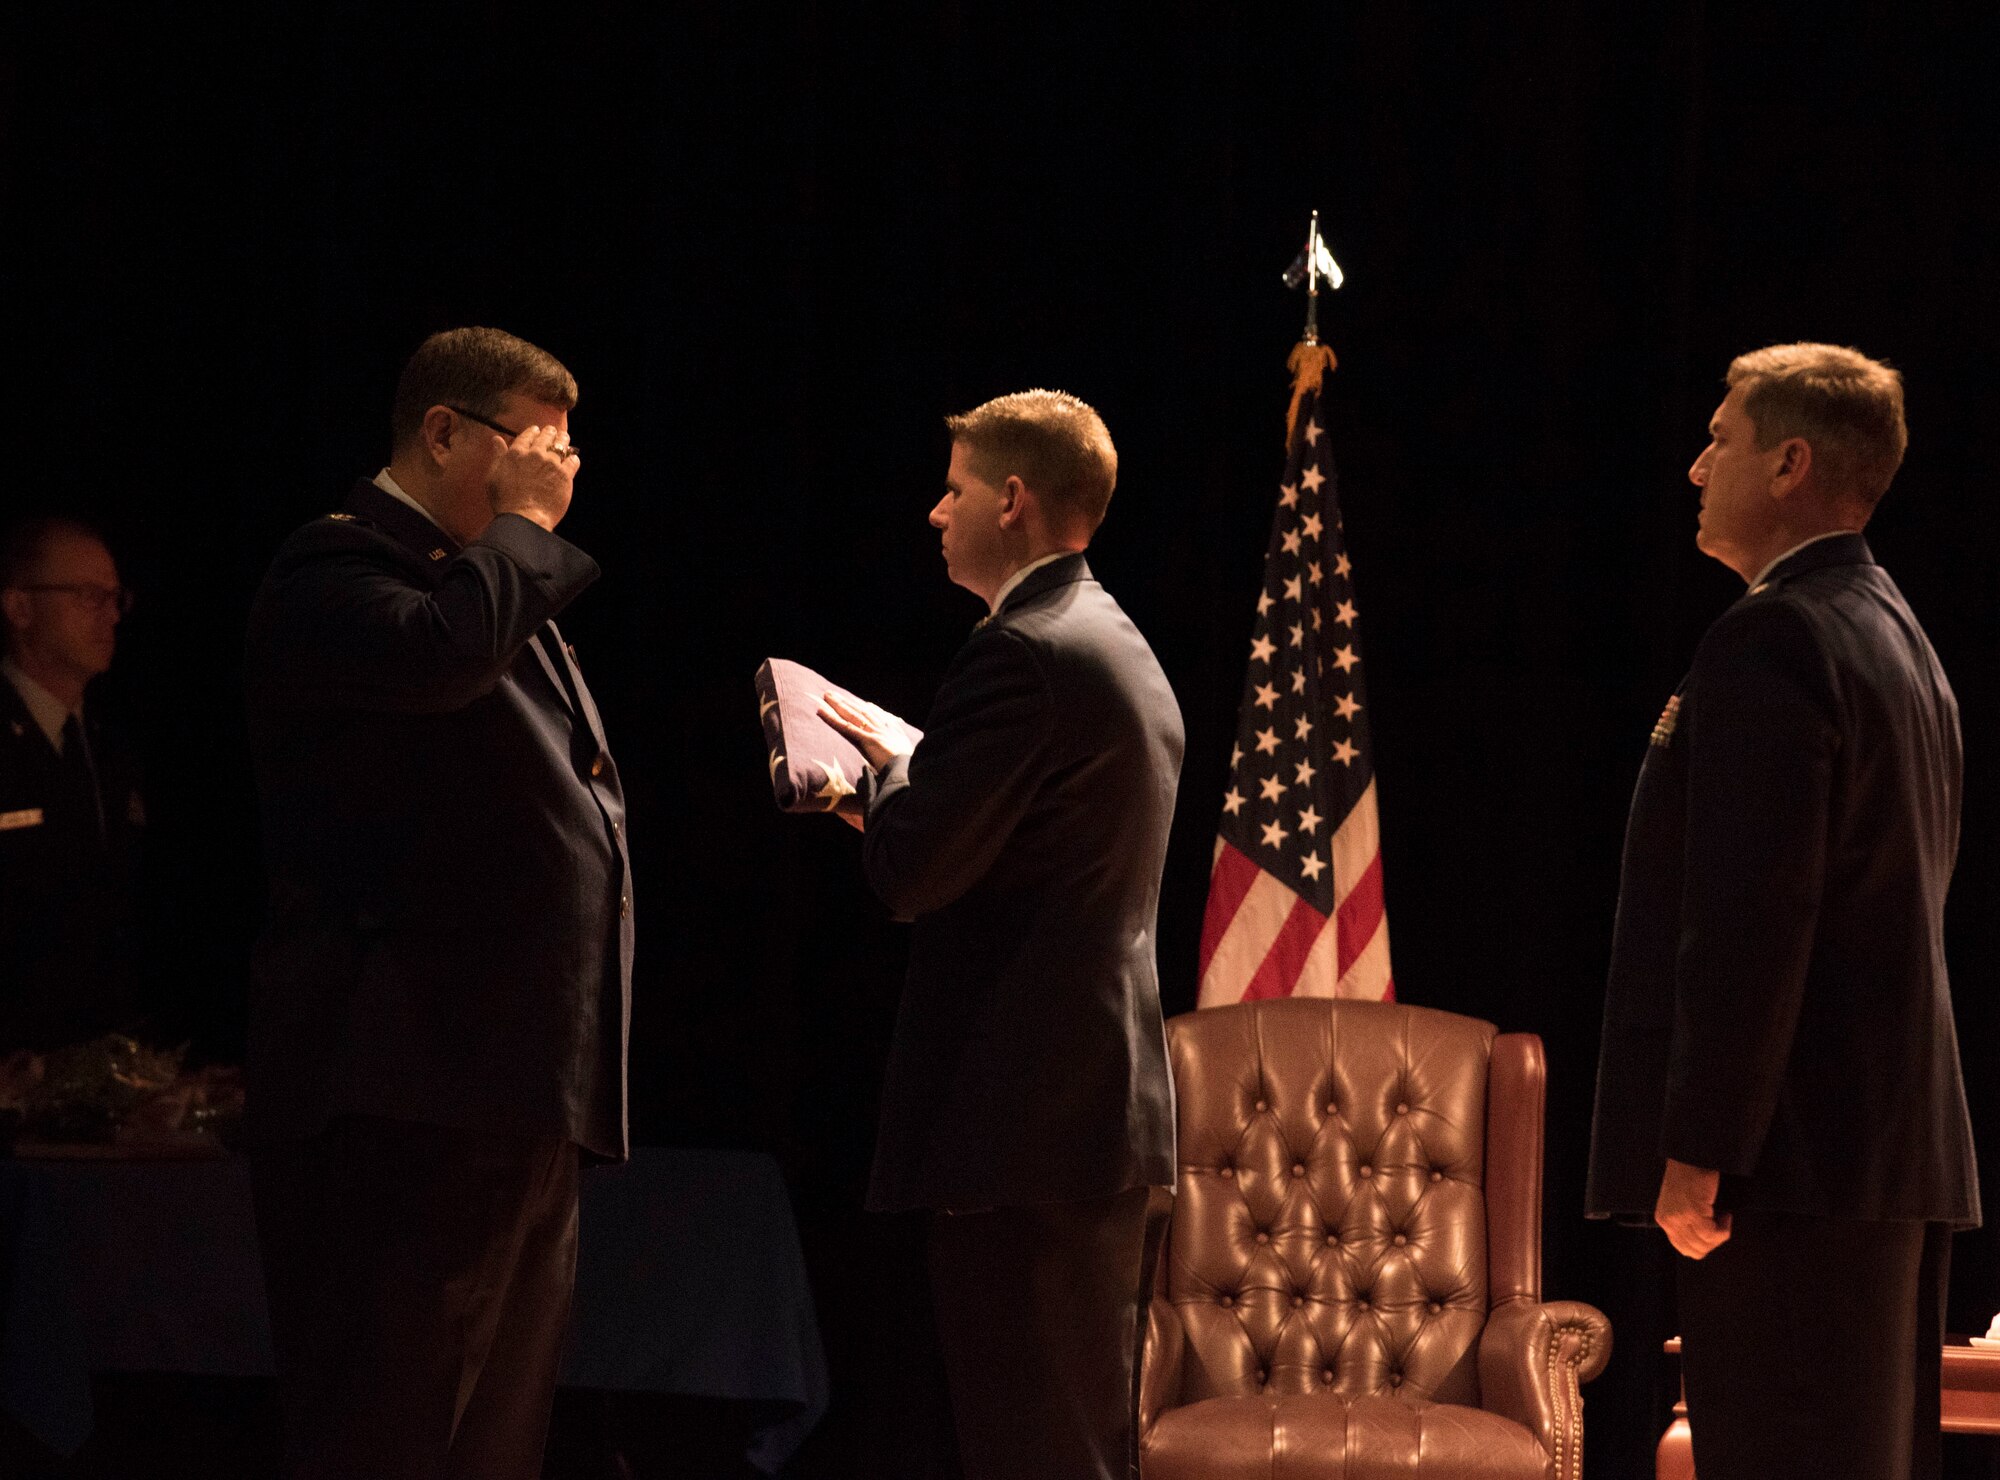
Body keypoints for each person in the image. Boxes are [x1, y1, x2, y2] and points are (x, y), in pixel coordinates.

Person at [243, 327, 632, 1480]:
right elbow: (438, 659)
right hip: (405, 1088)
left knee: (493, 1441)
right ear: (444, 431)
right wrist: (520, 531)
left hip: (511, 1085)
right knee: (393, 1429)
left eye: (567, 451)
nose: (553, 474)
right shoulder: (334, 569)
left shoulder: (487, 584)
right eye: (530, 446)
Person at [1586, 343, 1980, 1480]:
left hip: (1792, 1163)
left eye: (1720, 438)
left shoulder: (1776, 635)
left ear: (1789, 462)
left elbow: (1752, 921)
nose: (1695, 465)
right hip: (1882, 1155)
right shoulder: (1896, 635)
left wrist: (1699, 1148)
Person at [821, 389, 1183, 1480]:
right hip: (1083, 1120)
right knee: (1062, 1442)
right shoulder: (1105, 633)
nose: (937, 512)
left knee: (1035, 1447)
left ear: (1012, 500)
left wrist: (872, 780)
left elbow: (912, 871)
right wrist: (915, 776)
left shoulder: (1022, 651)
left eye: (955, 488)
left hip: (1029, 1121)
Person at [0, 516, 145, 1052]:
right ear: (20, 608)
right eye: (88, 595)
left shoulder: (111, 749)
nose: (110, 615)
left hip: (97, 1058)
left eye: (115, 597)